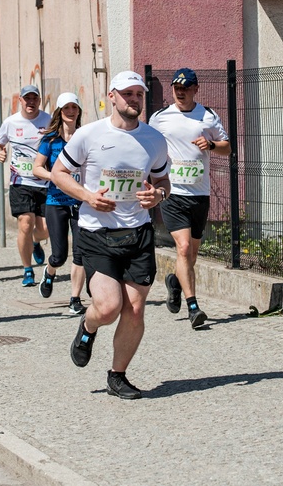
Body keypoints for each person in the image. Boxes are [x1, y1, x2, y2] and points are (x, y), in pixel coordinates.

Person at [51, 71, 171, 400]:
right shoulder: (88, 136)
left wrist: (157, 196)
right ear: (112, 96)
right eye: (127, 93)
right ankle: (88, 328)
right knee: (107, 307)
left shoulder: (154, 139)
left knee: (134, 309)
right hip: (97, 233)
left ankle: (117, 376)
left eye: (139, 94)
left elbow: (164, 183)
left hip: (138, 234)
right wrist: (88, 197)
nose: (134, 99)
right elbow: (59, 174)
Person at [149, 68, 231, 329]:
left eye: (185, 87)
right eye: (176, 87)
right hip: (173, 193)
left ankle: (174, 281)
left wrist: (212, 146)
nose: (180, 91)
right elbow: (148, 146)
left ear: (196, 89)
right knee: (183, 249)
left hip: (200, 193)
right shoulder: (160, 117)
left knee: (191, 254)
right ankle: (193, 306)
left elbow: (227, 148)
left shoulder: (207, 116)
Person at [32, 92, 88, 315]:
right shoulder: (50, 140)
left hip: (79, 201)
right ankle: (50, 271)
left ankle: (75, 299)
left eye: (74, 107)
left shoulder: (85, 137)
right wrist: (55, 176)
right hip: (56, 201)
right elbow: (36, 168)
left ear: (79, 111)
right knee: (60, 255)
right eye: (66, 108)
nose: (71, 111)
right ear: (59, 111)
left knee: (80, 253)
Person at [0, 85, 52, 286]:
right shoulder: (11, 122)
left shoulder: (48, 120)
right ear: (20, 100)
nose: (31, 102)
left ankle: (35, 242)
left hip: (45, 181)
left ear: (39, 100)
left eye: (34, 98)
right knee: (25, 223)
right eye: (27, 99)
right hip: (20, 182)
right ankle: (27, 270)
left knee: (45, 229)